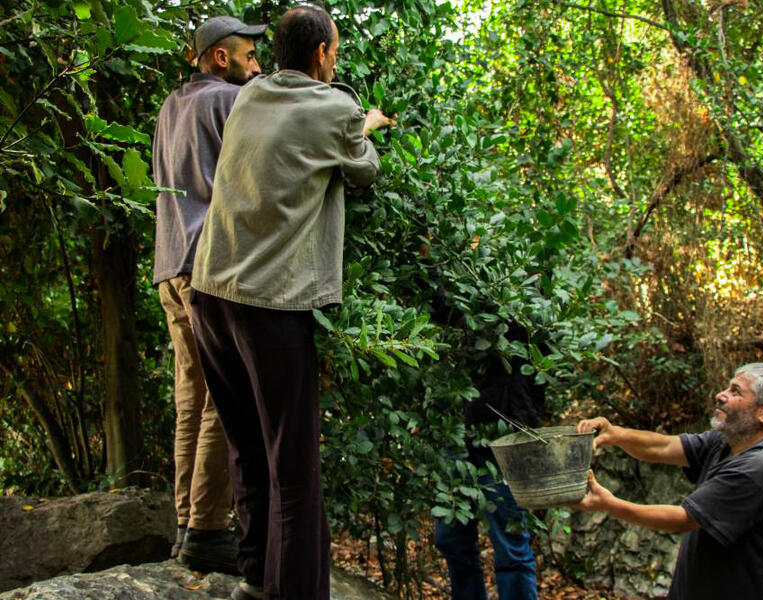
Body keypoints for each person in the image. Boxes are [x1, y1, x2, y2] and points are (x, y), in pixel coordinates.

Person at [189, 5, 394, 600]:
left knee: (249, 449)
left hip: (209, 294)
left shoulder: (249, 96)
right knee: (295, 471)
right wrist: (367, 122)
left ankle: (255, 580)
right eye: (335, 49)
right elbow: (365, 170)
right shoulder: (336, 109)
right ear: (323, 54)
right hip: (269, 308)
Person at [152, 14, 266, 574]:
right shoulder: (227, 102)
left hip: (168, 266)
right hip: (206, 268)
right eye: (249, 54)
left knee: (191, 398)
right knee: (227, 395)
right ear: (221, 58)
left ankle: (184, 522)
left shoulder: (169, 107)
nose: (258, 64)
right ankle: (205, 529)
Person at [573, 362, 763, 600]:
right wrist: (616, 434)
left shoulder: (762, 469)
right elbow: (663, 447)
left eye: (735, 391)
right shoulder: (724, 443)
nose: (721, 395)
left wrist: (609, 504)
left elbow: (683, 519)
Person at [431, 288, 541, 600]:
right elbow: (444, 311)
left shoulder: (521, 284)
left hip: (505, 433)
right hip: (457, 429)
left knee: (511, 545)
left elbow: (527, 331)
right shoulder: (459, 275)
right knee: (451, 537)